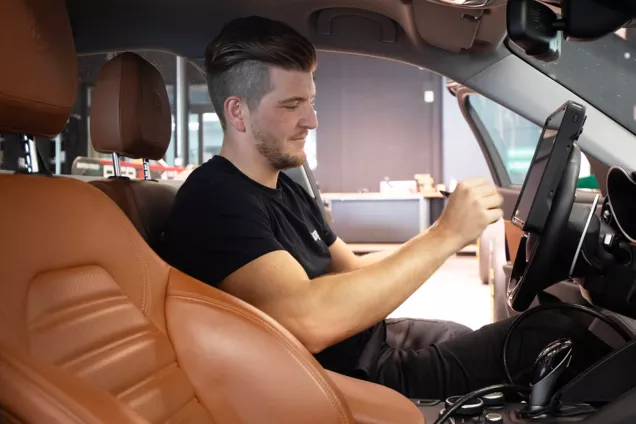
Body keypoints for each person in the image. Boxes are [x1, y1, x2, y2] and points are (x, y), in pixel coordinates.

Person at [161, 16, 613, 400]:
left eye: (311, 101)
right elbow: (308, 320)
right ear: (237, 113)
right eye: (292, 105)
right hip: (347, 380)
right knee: (554, 334)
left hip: (369, 344)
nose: (312, 120)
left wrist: (438, 233)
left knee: (518, 333)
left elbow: (350, 270)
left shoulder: (284, 189)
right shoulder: (214, 200)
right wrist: (446, 236)